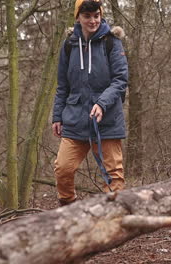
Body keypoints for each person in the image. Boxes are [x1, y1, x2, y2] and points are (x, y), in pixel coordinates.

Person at [51, 0, 128, 206]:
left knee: (114, 175)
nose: (93, 20)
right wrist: (57, 116)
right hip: (75, 120)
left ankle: (115, 217)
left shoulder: (112, 42)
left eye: (96, 15)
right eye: (87, 16)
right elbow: (62, 86)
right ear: (78, 18)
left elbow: (120, 80)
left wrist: (102, 103)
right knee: (63, 168)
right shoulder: (69, 45)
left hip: (108, 120)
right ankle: (69, 207)